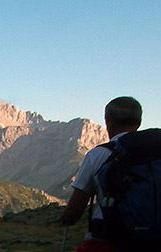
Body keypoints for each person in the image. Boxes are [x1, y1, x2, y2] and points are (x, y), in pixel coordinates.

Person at [61, 96, 143, 251]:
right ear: (138, 123)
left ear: (109, 121)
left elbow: (74, 211)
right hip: (157, 241)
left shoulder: (98, 155)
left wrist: (66, 219)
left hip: (109, 241)